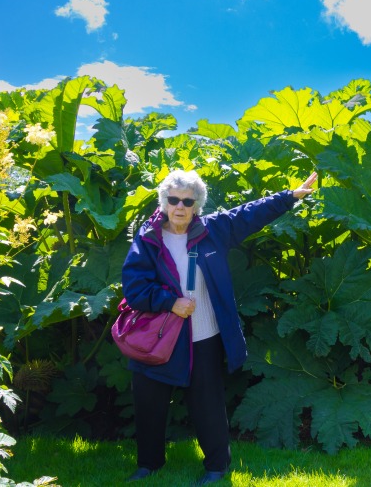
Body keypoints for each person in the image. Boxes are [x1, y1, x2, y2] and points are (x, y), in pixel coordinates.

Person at [121, 169, 317, 485]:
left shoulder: (213, 230)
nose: (180, 207)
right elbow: (134, 288)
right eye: (173, 200)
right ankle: (148, 465)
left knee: (208, 405)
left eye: (188, 201)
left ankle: (216, 467)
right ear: (164, 202)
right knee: (149, 404)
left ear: (197, 204)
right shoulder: (147, 238)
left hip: (203, 337)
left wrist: (289, 197)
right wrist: (169, 302)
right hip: (159, 340)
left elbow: (250, 213)